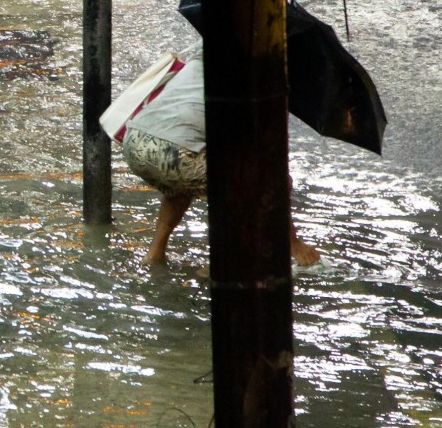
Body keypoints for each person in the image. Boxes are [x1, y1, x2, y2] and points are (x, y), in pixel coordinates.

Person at [117, 45, 321, 268]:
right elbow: (266, 157)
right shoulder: (258, 78)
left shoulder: (207, 49)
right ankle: (220, 265)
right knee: (271, 180)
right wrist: (292, 241)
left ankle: (155, 254)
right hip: (177, 153)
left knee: (180, 184)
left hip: (134, 140)